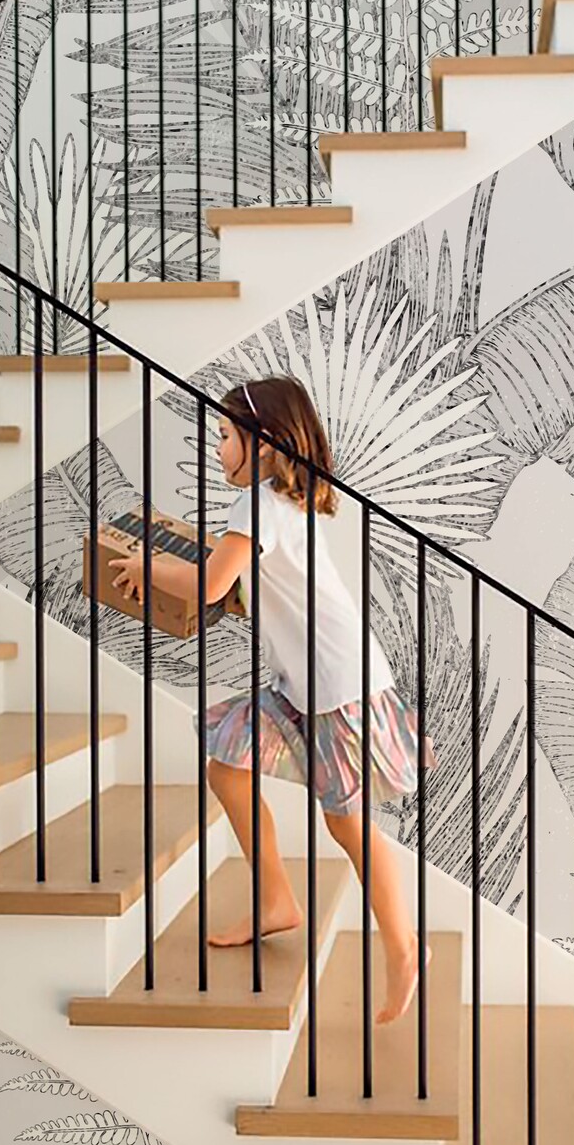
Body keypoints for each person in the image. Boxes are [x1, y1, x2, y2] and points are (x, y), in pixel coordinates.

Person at [110, 375, 428, 1024]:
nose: (217, 448)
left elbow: (209, 584)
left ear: (261, 444)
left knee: (347, 823)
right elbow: (245, 584)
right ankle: (277, 900)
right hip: (303, 683)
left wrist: (143, 567)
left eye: (225, 436)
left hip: (336, 686)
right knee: (227, 766)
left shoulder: (256, 506)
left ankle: (403, 948)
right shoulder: (281, 504)